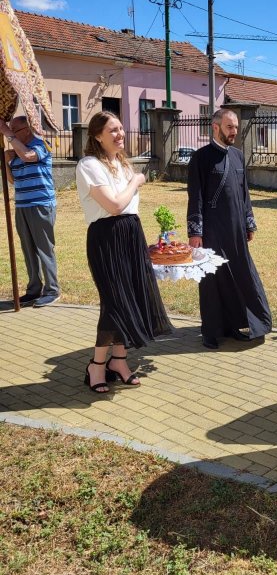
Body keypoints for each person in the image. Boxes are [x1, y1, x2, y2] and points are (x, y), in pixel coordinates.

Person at [75, 111, 172, 393]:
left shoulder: (123, 164)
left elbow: (128, 209)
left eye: (121, 129)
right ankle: (96, 365)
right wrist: (137, 181)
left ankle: (119, 361)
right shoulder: (89, 165)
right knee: (114, 303)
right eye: (112, 131)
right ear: (97, 136)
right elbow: (114, 205)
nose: (120, 135)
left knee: (129, 299)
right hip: (106, 238)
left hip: (130, 235)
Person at [186, 108, 272, 349]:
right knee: (212, 280)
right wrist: (195, 232)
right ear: (216, 127)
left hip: (236, 231)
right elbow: (196, 197)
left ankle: (238, 324)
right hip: (212, 231)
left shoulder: (237, 156)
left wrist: (249, 223)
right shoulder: (200, 158)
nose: (234, 131)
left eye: (235, 127)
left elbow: (244, 194)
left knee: (241, 276)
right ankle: (211, 331)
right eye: (229, 127)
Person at [0, 115, 60, 307]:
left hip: (41, 204)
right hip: (22, 205)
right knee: (28, 249)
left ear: (26, 129)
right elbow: (13, 181)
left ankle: (52, 290)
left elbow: (28, 156)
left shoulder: (42, 143)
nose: (11, 133)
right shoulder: (16, 151)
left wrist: (7, 134)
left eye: (14, 130)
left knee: (44, 248)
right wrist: (5, 162)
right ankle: (34, 289)